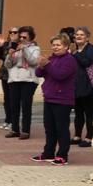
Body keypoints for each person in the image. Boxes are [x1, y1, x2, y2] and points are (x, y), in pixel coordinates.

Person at [32, 33, 78, 166]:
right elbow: (38, 74)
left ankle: (63, 155)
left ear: (66, 46)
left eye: (58, 45)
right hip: (49, 97)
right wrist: (41, 65)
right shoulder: (51, 58)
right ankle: (48, 153)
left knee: (61, 129)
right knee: (49, 128)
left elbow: (60, 75)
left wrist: (47, 65)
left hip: (63, 99)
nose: (55, 47)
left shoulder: (69, 60)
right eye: (53, 45)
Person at [3, 25, 41, 141]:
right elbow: (7, 65)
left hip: (28, 80)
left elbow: (33, 62)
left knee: (26, 106)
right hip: (14, 79)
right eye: (20, 36)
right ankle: (15, 129)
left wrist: (24, 49)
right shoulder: (15, 47)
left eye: (25, 36)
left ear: (30, 37)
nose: (22, 39)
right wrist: (10, 55)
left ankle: (25, 130)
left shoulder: (35, 49)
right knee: (13, 105)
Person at [71, 26, 93, 147]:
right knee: (78, 112)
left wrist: (76, 53)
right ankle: (77, 135)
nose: (78, 36)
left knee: (89, 112)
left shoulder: (92, 49)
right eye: (77, 34)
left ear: (87, 37)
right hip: (76, 85)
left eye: (81, 35)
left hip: (88, 85)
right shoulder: (74, 49)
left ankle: (89, 137)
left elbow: (87, 62)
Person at [0, 27, 19, 129]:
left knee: (14, 99)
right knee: (7, 99)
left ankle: (14, 121)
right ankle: (7, 120)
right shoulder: (5, 44)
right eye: (11, 32)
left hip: (16, 74)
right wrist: (0, 45)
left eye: (15, 32)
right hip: (5, 74)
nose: (12, 33)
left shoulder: (20, 44)